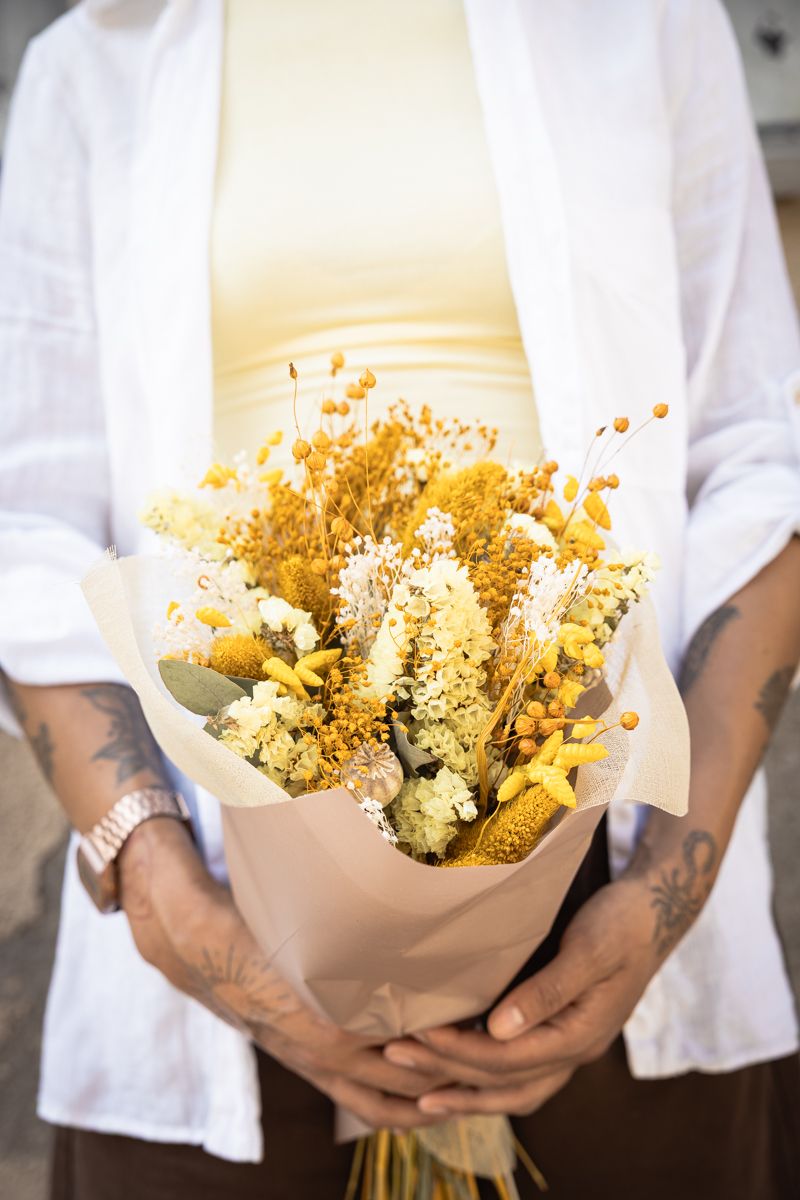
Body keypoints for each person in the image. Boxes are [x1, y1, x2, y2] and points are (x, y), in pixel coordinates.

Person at [1, 1, 799, 1196]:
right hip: (219, 890)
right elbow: (27, 526)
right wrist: (155, 876)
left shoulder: (643, 24)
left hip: (600, 884)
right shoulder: (94, 64)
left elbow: (758, 456)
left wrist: (665, 887)